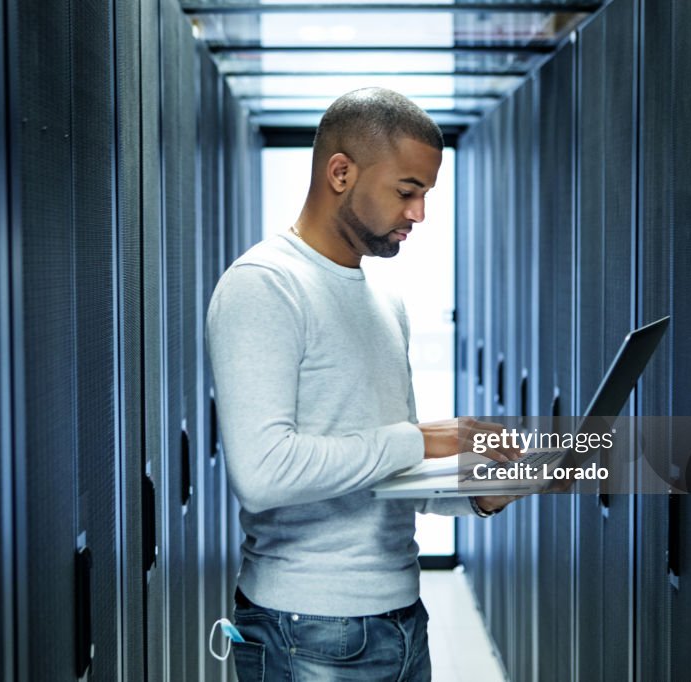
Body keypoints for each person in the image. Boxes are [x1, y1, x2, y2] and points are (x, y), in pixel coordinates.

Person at [205, 87, 519, 681]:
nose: (420, 214)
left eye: (426, 193)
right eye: (408, 191)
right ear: (341, 172)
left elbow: (389, 477)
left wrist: (480, 494)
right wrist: (424, 439)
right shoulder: (264, 286)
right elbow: (263, 473)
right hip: (305, 630)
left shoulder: (384, 299)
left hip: (402, 619)